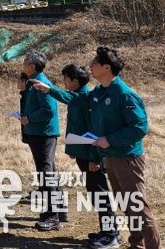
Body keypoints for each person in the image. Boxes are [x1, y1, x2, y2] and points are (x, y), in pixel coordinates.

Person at [34, 47, 161, 249]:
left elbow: (139, 128)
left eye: (95, 63)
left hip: (127, 158)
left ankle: (153, 245)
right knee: (125, 203)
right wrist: (49, 90)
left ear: (106, 67)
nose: (91, 66)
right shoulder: (98, 92)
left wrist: (109, 139)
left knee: (137, 205)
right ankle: (137, 244)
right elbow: (76, 99)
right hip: (110, 157)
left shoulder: (124, 94)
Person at [43, 64, 121, 249]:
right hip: (84, 154)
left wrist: (95, 158)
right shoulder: (80, 96)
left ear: (75, 81)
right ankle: (107, 231)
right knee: (96, 193)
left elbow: (94, 131)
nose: (64, 82)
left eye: (66, 79)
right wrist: (75, 150)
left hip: (91, 156)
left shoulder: (85, 99)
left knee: (100, 194)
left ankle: (111, 235)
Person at [19, 50, 65, 231]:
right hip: (38, 133)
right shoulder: (32, 82)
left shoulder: (41, 83)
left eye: (25, 61)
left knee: (46, 174)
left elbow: (48, 111)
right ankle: (59, 210)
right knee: (49, 172)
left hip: (43, 134)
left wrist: (29, 118)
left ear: (31, 66)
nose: (23, 64)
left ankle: (52, 216)